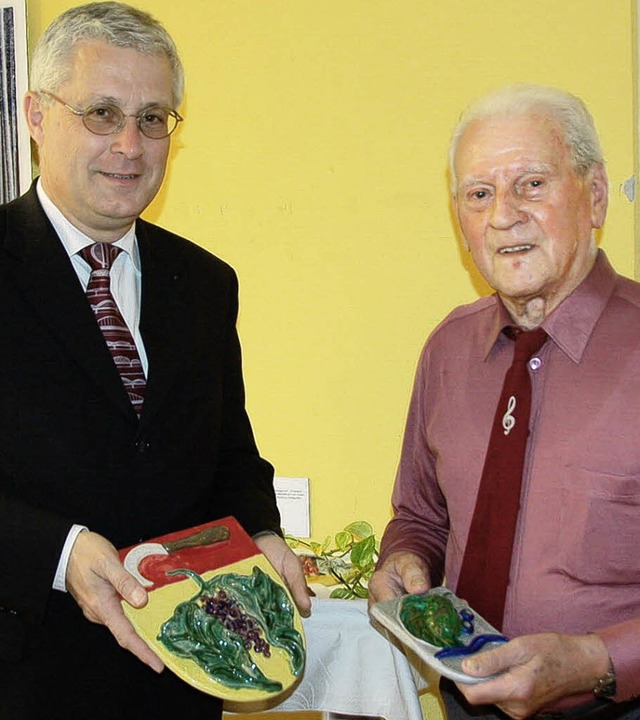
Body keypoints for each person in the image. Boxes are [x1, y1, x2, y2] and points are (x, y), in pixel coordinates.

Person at [0, 3, 310, 718]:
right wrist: (60, 551)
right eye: (102, 113)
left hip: (179, 684)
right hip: (24, 678)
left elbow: (229, 453)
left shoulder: (204, 283)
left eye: (153, 117)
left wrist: (262, 531)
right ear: (37, 116)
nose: (130, 146)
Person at [369, 84, 640, 720]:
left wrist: (597, 661)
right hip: (463, 705)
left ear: (595, 195)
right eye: (479, 194)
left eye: (531, 184)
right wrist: (404, 560)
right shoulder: (446, 350)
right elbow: (422, 514)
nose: (502, 216)